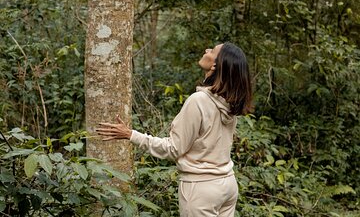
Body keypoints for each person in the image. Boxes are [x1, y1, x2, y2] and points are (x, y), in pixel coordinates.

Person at [96, 42, 253, 217]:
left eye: (212, 50)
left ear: (216, 65)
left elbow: (174, 148)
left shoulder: (199, 100)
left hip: (201, 189)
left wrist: (130, 134)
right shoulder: (230, 102)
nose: (206, 50)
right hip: (228, 185)